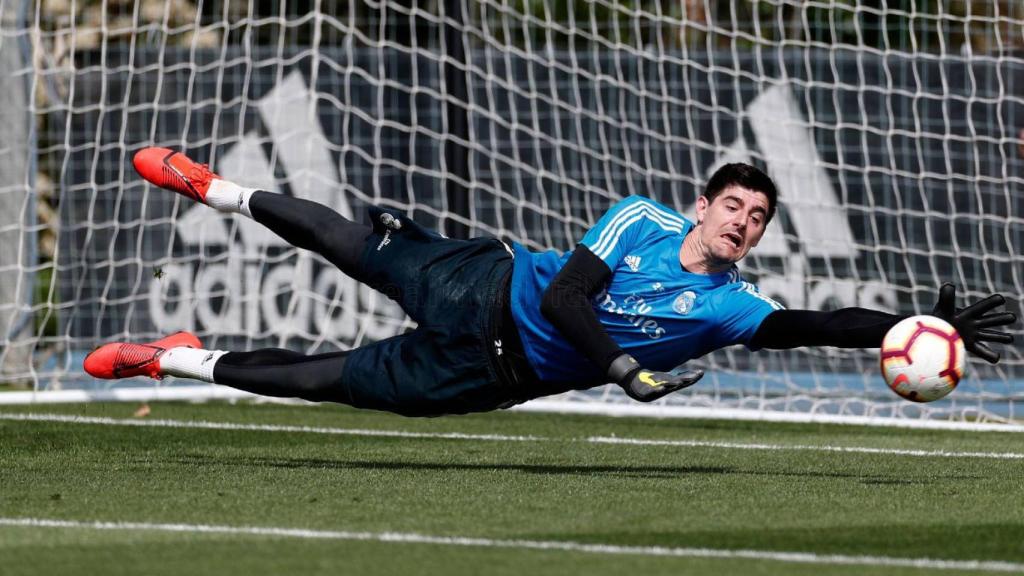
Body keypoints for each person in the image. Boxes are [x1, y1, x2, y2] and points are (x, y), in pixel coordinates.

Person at [84, 148, 1017, 416]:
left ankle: (173, 359)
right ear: (701, 205)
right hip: (483, 287)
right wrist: (623, 370)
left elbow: (818, 324)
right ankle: (214, 187)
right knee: (347, 242)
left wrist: (914, 326)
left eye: (759, 217)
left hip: (491, 374)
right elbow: (569, 298)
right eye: (733, 205)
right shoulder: (641, 218)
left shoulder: (734, 307)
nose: (743, 221)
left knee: (323, 382)